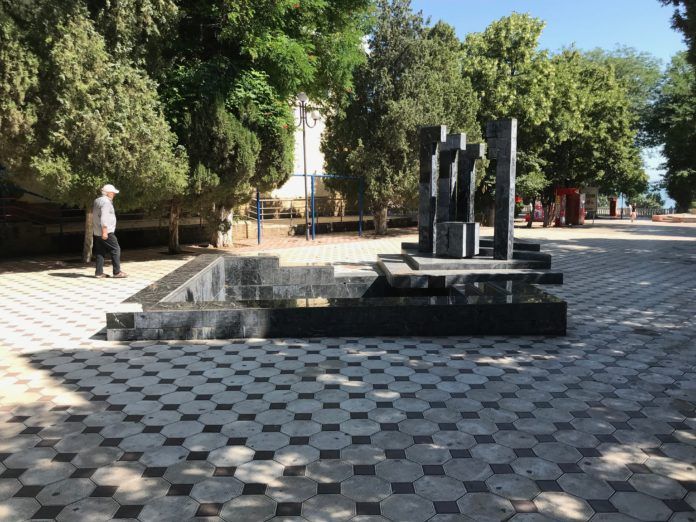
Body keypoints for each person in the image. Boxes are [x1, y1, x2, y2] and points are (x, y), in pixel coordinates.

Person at [93, 184, 127, 278]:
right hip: (106, 231)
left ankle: (99, 273)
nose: (114, 194)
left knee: (100, 251)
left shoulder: (97, 200)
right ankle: (117, 272)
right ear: (108, 193)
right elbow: (104, 216)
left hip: (97, 231)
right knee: (116, 249)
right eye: (113, 193)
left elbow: (95, 216)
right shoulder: (106, 202)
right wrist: (105, 231)